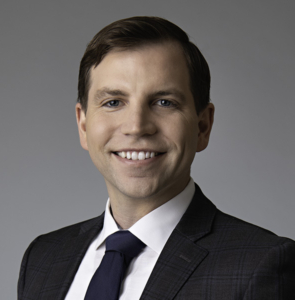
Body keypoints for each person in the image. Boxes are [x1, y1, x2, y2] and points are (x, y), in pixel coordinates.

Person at [18, 16, 295, 300]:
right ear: (84, 125)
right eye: (113, 102)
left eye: (164, 102)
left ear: (202, 126)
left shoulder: (261, 264)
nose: (137, 126)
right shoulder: (43, 259)